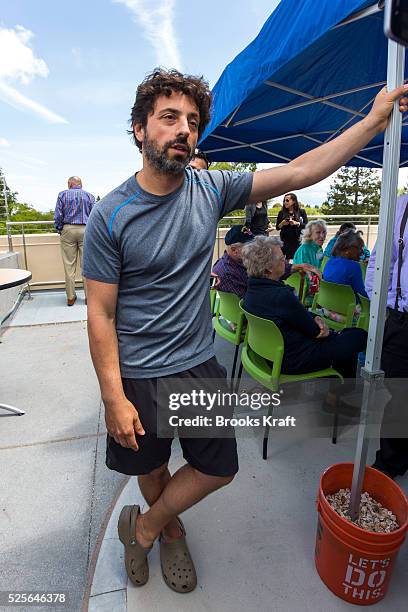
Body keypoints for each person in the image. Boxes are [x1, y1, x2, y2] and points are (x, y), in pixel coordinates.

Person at [82, 66, 408, 593]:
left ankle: (145, 527)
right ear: (140, 130)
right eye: (169, 117)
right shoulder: (110, 215)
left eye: (192, 120)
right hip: (138, 371)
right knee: (151, 462)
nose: (184, 129)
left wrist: (372, 121)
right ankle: (170, 532)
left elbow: (301, 172)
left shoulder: (210, 189)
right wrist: (113, 396)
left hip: (195, 363)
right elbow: (99, 313)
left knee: (218, 467)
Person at [242, 236, 367, 379]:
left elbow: (296, 317)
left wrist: (317, 318)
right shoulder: (281, 296)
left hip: (269, 355)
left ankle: (334, 392)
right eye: (282, 259)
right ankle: (336, 394)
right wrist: (328, 330)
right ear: (269, 268)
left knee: (343, 338)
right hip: (293, 359)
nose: (286, 261)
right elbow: (315, 332)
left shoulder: (251, 289)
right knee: (357, 336)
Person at [366, 195, 408, 479]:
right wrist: (388, 304)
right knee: (400, 395)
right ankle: (391, 463)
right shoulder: (401, 206)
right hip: (402, 319)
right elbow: (381, 262)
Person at [212, 224, 320, 299]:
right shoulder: (227, 273)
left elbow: (269, 268)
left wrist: (299, 266)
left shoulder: (239, 262)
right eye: (250, 246)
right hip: (255, 323)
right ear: (235, 250)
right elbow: (250, 306)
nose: (255, 248)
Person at [54, 176, 95, 306]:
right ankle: (88, 298)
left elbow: (58, 215)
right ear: (80, 184)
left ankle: (71, 297)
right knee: (86, 266)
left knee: (69, 266)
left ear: (70, 184)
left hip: (68, 229)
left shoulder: (62, 195)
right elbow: (95, 215)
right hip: (86, 230)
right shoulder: (89, 196)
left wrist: (60, 228)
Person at [293, 219, 327, 304]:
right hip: (305, 294)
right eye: (318, 233)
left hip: (316, 289)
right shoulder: (305, 249)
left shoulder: (318, 248)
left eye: (324, 232)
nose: (322, 236)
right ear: (310, 235)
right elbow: (304, 275)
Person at [276, 193, 308, 259]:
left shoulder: (301, 211)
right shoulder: (281, 213)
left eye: (287, 200)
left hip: (297, 240)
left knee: (298, 259)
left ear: (293, 201)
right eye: (284, 201)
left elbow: (306, 225)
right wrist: (282, 223)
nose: (285, 202)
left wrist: (297, 223)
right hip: (285, 240)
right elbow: (277, 227)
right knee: (285, 260)